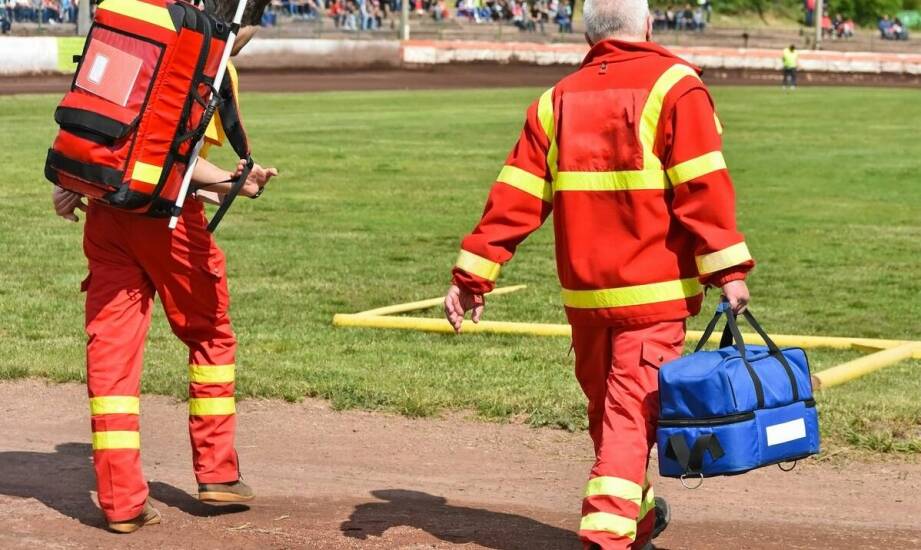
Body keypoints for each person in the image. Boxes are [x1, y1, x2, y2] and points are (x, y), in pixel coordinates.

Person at [443, 0, 754, 546]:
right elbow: (703, 190)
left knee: (609, 419)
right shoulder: (677, 86)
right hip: (653, 297)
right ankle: (606, 538)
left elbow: (514, 198)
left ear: (587, 34)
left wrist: (472, 276)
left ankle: (634, 523)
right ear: (649, 26)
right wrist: (728, 270)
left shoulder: (555, 100)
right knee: (629, 422)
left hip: (586, 299)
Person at [50, 0, 277, 534]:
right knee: (211, 335)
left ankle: (121, 501)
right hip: (168, 223)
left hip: (105, 216)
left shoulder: (125, 35)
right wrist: (237, 181)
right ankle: (217, 472)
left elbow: (98, 126)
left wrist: (70, 183)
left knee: (111, 359)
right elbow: (183, 163)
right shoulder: (203, 58)